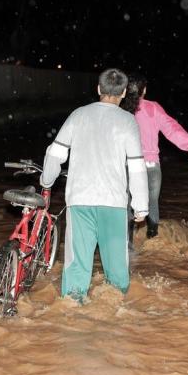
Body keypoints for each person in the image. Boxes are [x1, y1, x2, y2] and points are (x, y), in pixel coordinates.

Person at [39, 68, 148, 303]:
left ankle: (72, 312)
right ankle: (115, 317)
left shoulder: (78, 115)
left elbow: (56, 153)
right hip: (114, 204)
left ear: (98, 89)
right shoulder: (128, 121)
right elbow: (137, 167)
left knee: (77, 265)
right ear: (124, 93)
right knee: (117, 270)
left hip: (80, 200)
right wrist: (141, 206)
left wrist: (46, 181)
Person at [120, 74, 188, 239]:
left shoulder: (121, 110)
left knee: (127, 204)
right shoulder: (153, 108)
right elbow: (172, 128)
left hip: (128, 165)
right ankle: (152, 240)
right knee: (152, 204)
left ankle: (127, 246)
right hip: (151, 165)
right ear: (144, 90)